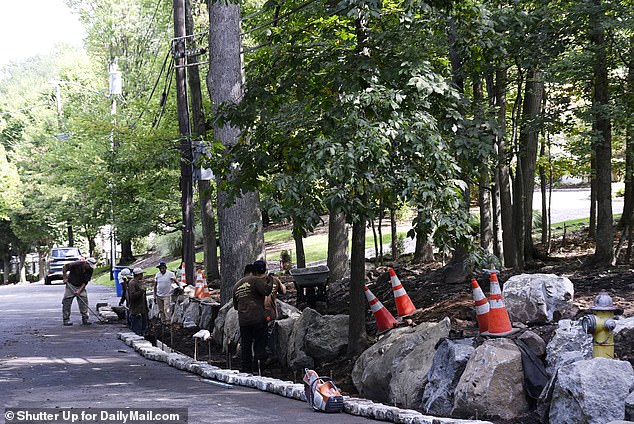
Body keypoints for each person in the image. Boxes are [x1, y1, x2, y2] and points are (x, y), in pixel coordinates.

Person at [232, 260, 273, 373]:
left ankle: (246, 368)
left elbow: (235, 306)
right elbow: (266, 291)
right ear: (254, 272)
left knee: (246, 345)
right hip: (257, 318)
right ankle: (259, 367)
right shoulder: (255, 280)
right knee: (260, 343)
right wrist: (271, 280)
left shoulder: (236, 286)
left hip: (243, 320)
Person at [62, 257, 97, 326]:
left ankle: (85, 319)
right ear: (86, 263)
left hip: (81, 286)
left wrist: (79, 291)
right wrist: (65, 277)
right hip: (71, 284)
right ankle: (66, 319)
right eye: (89, 266)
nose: (90, 268)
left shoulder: (90, 269)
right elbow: (64, 267)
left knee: (84, 301)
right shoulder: (76, 264)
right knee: (67, 301)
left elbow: (85, 282)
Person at [264, 272, 286, 362]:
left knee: (263, 333)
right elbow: (283, 291)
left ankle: (265, 356)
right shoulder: (275, 280)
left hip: (260, 313)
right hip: (271, 313)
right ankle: (269, 355)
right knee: (269, 333)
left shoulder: (255, 281)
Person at [127, 267, 149, 336]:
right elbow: (132, 296)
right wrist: (141, 291)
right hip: (135, 311)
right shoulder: (132, 283)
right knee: (137, 330)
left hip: (142, 310)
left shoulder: (138, 283)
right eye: (141, 274)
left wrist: (145, 308)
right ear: (138, 275)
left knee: (143, 328)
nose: (142, 276)